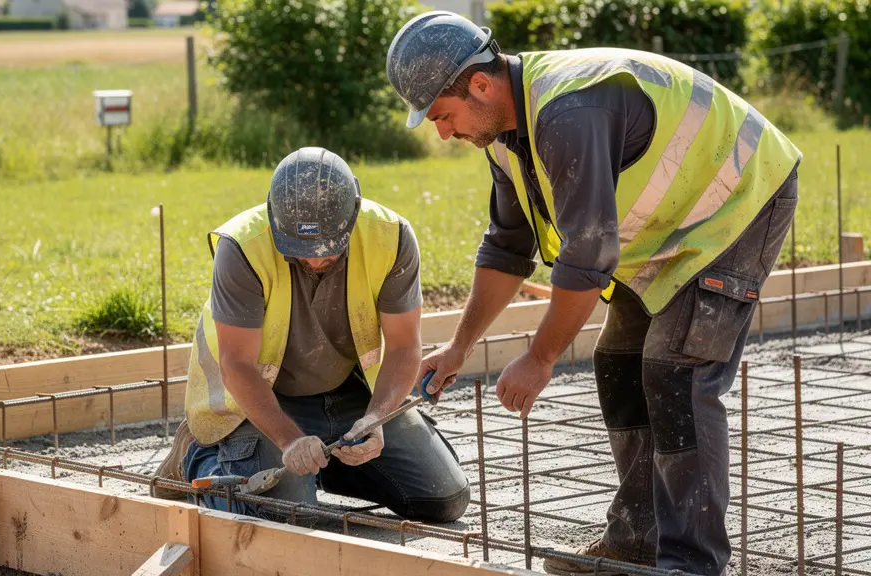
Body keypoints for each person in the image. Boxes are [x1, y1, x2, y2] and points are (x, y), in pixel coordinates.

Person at [385, 11, 801, 576]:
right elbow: (508, 248)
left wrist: (540, 357)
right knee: (620, 361)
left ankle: (692, 564)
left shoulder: (567, 111)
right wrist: (460, 346)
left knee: (677, 371)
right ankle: (637, 544)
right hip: (666, 231)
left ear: (479, 84)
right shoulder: (504, 133)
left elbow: (586, 258)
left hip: (739, 202)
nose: (442, 132)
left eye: (442, 114)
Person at [153, 147, 469, 524]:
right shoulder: (243, 247)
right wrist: (290, 441)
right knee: (286, 518)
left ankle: (317, 468)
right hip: (259, 404)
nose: (316, 260)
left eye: (329, 248)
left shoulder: (391, 236)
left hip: (347, 394)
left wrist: (376, 419)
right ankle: (197, 456)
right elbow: (236, 364)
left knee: (444, 499)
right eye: (301, 250)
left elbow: (403, 346)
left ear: (352, 217)